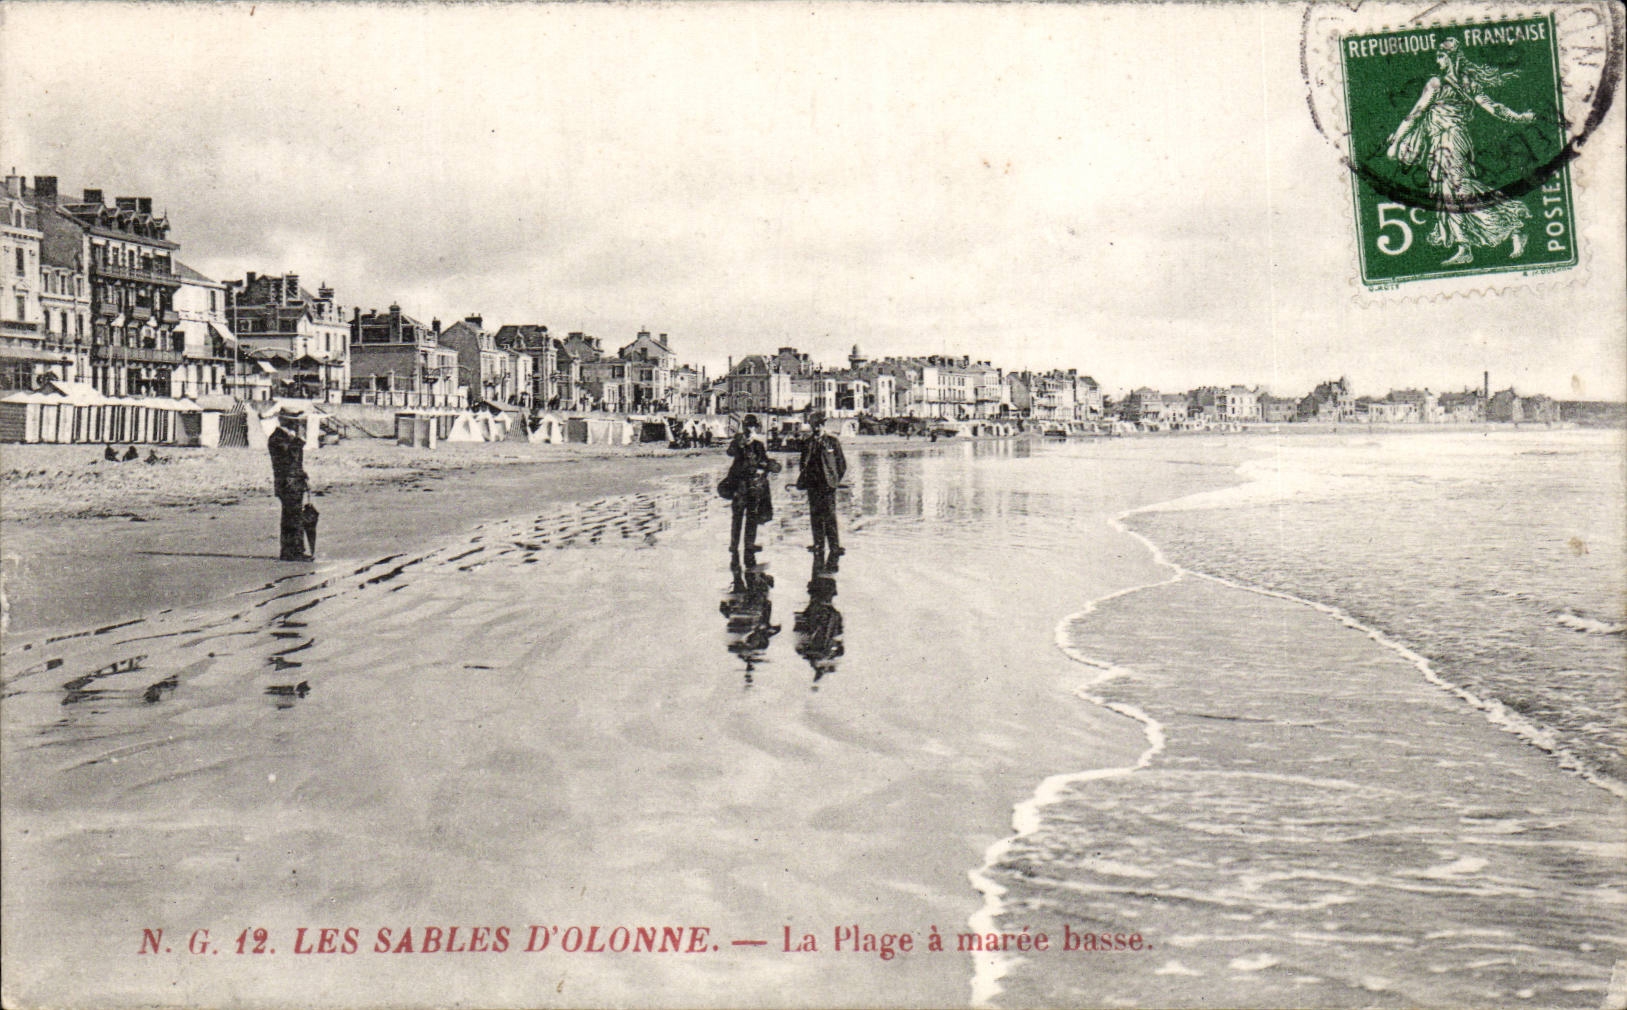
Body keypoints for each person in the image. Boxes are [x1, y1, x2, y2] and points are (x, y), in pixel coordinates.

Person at [1384, 37, 1536, 266]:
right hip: (1448, 142)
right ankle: (1467, 245)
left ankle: (1511, 225)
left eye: (1440, 56)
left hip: (1449, 142)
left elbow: (1415, 114)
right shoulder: (1468, 84)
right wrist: (1519, 117)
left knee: (1456, 192)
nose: (1437, 60)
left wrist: (1396, 139)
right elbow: (1494, 108)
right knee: (1452, 192)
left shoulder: (1436, 83)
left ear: (1451, 57)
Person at [794, 410, 847, 565]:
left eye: (820, 424)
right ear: (811, 426)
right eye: (814, 425)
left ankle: (835, 547)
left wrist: (834, 480)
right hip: (813, 484)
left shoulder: (832, 442)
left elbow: (841, 464)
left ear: (824, 424)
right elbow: (803, 463)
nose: (817, 427)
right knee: (815, 515)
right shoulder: (807, 443)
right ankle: (818, 545)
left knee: (830, 515)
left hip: (828, 485)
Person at [723, 415, 779, 559]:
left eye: (752, 426)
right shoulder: (738, 441)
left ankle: (749, 545)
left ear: (755, 428)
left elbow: (764, 461)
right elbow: (730, 452)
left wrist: (771, 466)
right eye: (747, 425)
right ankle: (734, 545)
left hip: (754, 486)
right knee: (737, 516)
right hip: (739, 485)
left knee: (752, 516)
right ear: (743, 426)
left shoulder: (758, 445)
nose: (750, 428)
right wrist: (740, 443)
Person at [267, 410, 313, 561]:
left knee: (294, 516)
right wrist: (299, 440)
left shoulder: (284, 438)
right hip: (288, 483)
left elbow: (294, 461)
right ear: (287, 422)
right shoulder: (278, 438)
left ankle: (293, 550)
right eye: (295, 421)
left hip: (291, 481)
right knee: (292, 517)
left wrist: (302, 474)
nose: (298, 424)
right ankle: (292, 551)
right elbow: (290, 458)